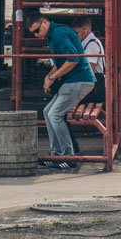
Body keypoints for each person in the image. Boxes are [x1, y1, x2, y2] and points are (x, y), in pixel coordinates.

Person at [25, 9, 94, 170]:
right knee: (49, 112)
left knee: (55, 114)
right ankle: (56, 154)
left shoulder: (58, 34)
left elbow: (72, 59)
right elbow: (61, 61)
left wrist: (52, 77)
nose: (36, 35)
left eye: (37, 31)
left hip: (79, 79)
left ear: (45, 22)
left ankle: (68, 156)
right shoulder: (53, 34)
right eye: (33, 33)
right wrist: (49, 76)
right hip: (74, 80)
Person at [73, 16, 105, 104]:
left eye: (77, 32)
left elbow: (89, 68)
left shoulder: (92, 44)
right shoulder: (86, 43)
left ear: (86, 30)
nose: (75, 36)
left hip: (94, 88)